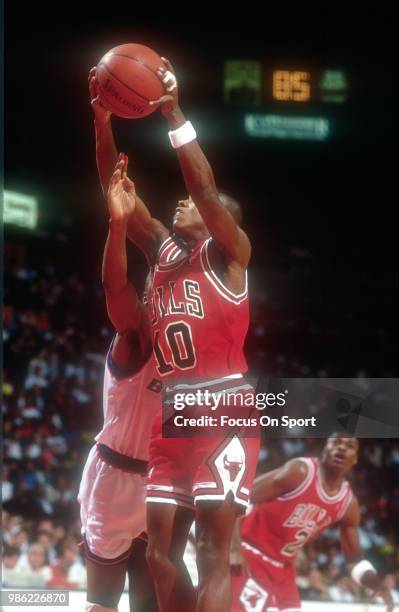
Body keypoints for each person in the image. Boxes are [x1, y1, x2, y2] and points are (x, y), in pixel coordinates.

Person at [89, 58, 260, 612]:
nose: (180, 203)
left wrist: (174, 113)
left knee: (213, 552)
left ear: (220, 222)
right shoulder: (163, 249)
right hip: (173, 417)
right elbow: (115, 188)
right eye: (180, 203)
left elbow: (204, 188)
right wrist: (102, 121)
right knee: (159, 557)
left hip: (224, 406)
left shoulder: (231, 257)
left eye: (197, 207)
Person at [78, 158, 160, 612]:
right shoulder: (135, 335)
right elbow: (115, 283)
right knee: (102, 606)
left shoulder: (190, 349)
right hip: (115, 477)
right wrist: (117, 222)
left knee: (149, 606)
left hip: (160, 484)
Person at [230, 434, 394, 612]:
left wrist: (377, 584)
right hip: (250, 555)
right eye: (336, 443)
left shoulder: (348, 504)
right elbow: (239, 497)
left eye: (350, 446)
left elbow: (355, 560)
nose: (341, 447)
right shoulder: (300, 472)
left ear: (355, 459)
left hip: (284, 570)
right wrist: (233, 548)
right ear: (325, 450)